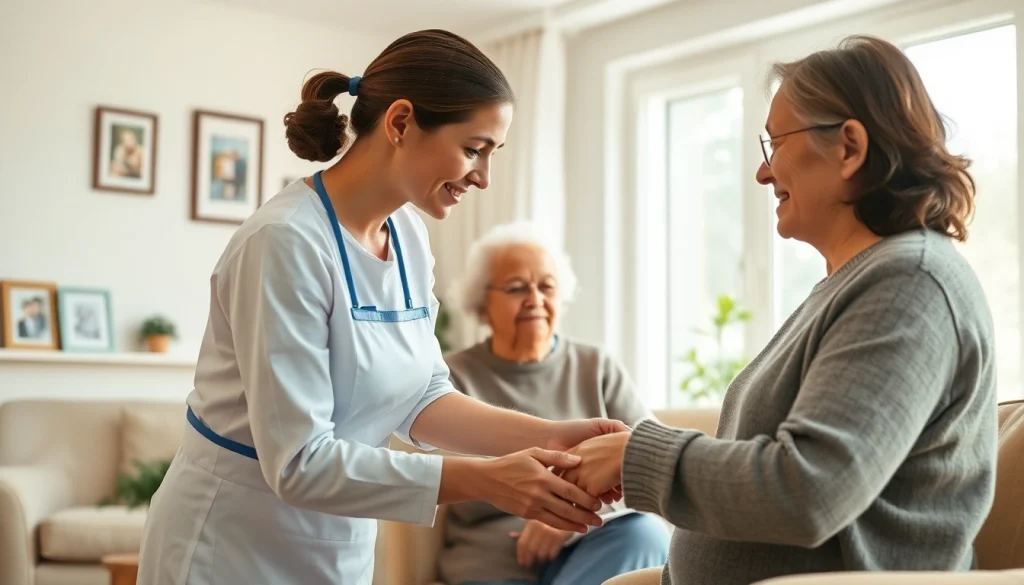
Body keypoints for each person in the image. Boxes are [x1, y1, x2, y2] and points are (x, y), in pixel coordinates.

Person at [136, 29, 627, 585]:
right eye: (473, 149)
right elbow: (299, 463)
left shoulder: (409, 236)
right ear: (399, 123)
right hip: (230, 544)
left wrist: (549, 436)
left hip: (333, 541)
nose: (483, 178)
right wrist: (488, 479)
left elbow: (421, 396)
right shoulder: (284, 242)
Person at [562, 35, 998, 585]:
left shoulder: (910, 283)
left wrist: (638, 455)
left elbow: (810, 490)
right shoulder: (857, 284)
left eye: (775, 144)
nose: (762, 174)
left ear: (849, 148)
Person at [437, 222, 670, 585]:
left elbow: (654, 460)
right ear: (482, 305)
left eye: (546, 286)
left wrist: (567, 518)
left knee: (647, 534)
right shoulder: (453, 376)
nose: (534, 299)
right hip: (496, 555)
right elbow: (452, 477)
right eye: (516, 288)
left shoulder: (597, 366)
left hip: (593, 541)